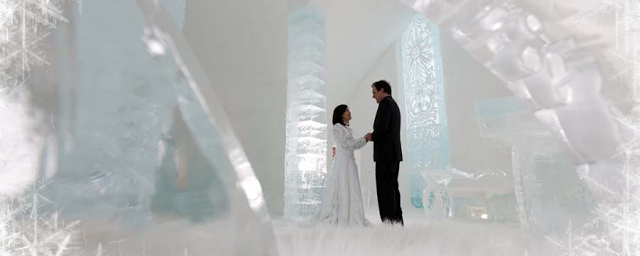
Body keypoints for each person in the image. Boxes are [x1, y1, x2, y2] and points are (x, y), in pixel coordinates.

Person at [312, 104, 369, 226]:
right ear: (341, 114)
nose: (349, 112)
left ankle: (352, 215)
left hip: (350, 162)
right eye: (347, 110)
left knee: (351, 188)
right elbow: (346, 144)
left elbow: (353, 145)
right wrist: (364, 139)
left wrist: (365, 140)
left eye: (349, 110)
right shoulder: (337, 127)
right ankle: (343, 216)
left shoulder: (348, 129)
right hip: (343, 163)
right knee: (343, 188)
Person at [365, 80, 404, 226]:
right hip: (393, 154)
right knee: (393, 189)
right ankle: (396, 222)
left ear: (382, 90)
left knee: (385, 191)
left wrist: (371, 136)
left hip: (386, 155)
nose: (373, 96)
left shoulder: (385, 104)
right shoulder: (393, 104)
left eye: (374, 92)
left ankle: (389, 222)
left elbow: (382, 128)